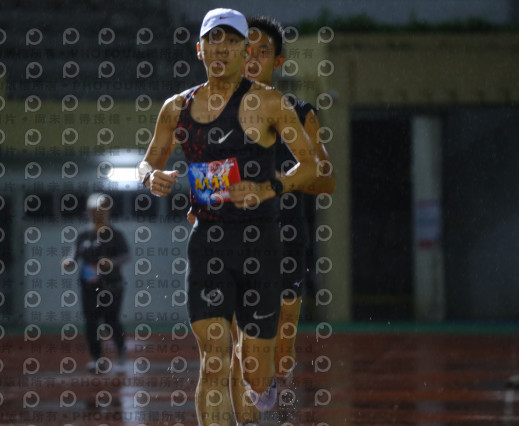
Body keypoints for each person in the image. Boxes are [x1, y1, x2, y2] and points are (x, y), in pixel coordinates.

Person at [136, 8, 326, 425]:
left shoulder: (270, 103)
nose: (221, 48)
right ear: (199, 49)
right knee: (214, 361)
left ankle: (261, 385)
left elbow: (312, 166)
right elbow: (148, 162)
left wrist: (269, 188)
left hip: (262, 246)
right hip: (209, 244)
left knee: (254, 370)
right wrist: (151, 177)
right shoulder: (176, 108)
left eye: (232, 41)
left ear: (245, 51)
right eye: (213, 40)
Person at [227, 15, 337, 424]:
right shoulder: (214, 114)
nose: (253, 59)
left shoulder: (301, 113)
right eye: (246, 51)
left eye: (263, 52)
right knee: (242, 340)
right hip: (235, 238)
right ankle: (248, 418)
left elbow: (327, 181)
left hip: (287, 238)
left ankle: (275, 389)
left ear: (279, 61)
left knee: (282, 347)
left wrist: (282, 181)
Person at [65, 193, 130, 373]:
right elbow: (73, 254)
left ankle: (121, 353)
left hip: (112, 285)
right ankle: (97, 359)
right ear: (89, 212)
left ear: (107, 211)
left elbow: (126, 255)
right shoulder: (83, 235)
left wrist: (111, 262)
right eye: (94, 210)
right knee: (91, 322)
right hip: (89, 286)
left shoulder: (115, 234)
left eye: (102, 210)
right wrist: (69, 261)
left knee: (111, 320)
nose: (98, 213)